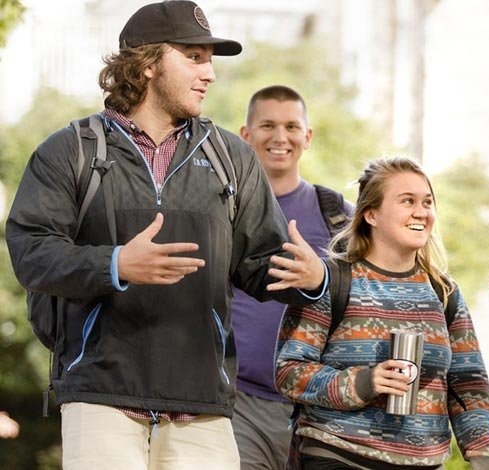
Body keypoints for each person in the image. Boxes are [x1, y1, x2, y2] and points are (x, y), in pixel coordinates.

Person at [5, 2, 327, 469]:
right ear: (149, 62)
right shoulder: (69, 150)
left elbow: (265, 265)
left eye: (210, 59)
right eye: (194, 57)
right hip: (100, 400)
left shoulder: (232, 159)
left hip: (203, 409)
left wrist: (312, 277)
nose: (210, 73)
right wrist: (115, 265)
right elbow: (31, 252)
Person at [275, 157, 489, 469]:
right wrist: (364, 383)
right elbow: (290, 372)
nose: (421, 212)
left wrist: (483, 451)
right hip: (338, 454)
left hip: (423, 462)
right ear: (371, 214)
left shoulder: (444, 291)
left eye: (427, 202)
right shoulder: (332, 280)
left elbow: (468, 382)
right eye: (407, 201)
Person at [232, 85, 353, 470]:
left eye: (291, 126)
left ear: (308, 136)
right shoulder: (221, 209)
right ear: (246, 135)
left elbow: (368, 296)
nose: (280, 137)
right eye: (267, 125)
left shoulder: (339, 216)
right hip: (238, 404)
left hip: (316, 408)